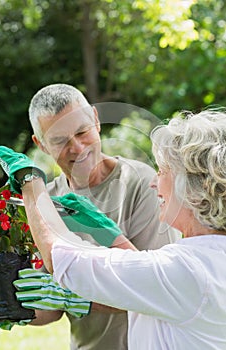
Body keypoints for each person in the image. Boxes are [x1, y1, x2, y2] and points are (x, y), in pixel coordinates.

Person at [3, 108, 226, 349]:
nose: (154, 182)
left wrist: (30, 182)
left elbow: (62, 258)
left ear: (192, 186)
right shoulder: (208, 261)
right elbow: (148, 282)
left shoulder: (186, 270)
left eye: (162, 171)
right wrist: (113, 237)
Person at [26, 83, 180, 349]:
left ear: (96, 120)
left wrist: (71, 295)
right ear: (41, 144)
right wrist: (10, 303)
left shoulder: (143, 184)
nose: (77, 147)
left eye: (82, 132)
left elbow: (157, 289)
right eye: (60, 141)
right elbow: (49, 312)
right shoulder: (45, 203)